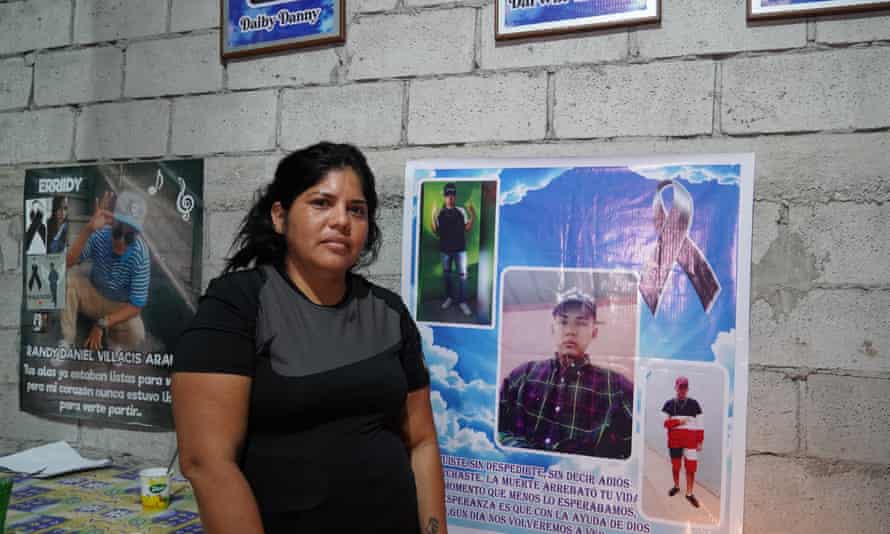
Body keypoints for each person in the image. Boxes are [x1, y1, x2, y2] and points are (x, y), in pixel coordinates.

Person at [172, 142, 447, 534]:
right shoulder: (237, 305)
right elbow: (206, 462)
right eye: (321, 203)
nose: (341, 221)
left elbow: (420, 442)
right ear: (280, 217)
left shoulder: (388, 311)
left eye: (357, 209)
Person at [498, 289, 633, 459]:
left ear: (594, 332)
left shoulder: (618, 388)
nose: (571, 331)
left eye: (581, 323)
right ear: (552, 329)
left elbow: (632, 452)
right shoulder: (521, 376)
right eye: (563, 322)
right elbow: (495, 427)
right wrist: (527, 457)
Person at [62, 190, 150, 351]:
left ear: (137, 235)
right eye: (117, 232)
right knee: (68, 281)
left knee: (137, 333)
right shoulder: (100, 234)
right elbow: (68, 262)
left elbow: (136, 306)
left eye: (129, 237)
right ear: (112, 223)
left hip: (117, 306)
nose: (121, 241)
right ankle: (66, 340)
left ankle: (115, 342)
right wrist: (88, 229)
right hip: (93, 295)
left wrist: (102, 324)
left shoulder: (141, 254)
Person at [431, 182, 475, 317]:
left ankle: (462, 302)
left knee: (463, 276)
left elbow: (467, 228)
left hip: (460, 250)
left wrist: (472, 215)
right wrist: (432, 214)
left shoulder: (461, 211)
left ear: (455, 196)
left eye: (452, 195)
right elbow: (435, 230)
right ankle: (449, 298)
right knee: (447, 275)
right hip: (445, 250)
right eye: (448, 195)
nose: (450, 198)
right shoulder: (440, 212)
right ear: (444, 197)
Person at [662, 376, 704, 508]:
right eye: (680, 387)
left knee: (691, 468)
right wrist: (680, 421)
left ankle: (689, 493)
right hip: (674, 442)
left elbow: (700, 424)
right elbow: (665, 423)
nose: (682, 389)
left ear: (688, 389)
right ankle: (676, 486)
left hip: (691, 442)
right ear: (676, 387)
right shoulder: (668, 404)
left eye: (685, 387)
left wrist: (700, 441)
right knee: (675, 466)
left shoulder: (695, 404)